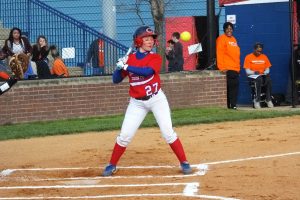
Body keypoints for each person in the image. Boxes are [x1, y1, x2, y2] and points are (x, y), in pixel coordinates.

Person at [102, 26, 192, 176]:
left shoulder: (155, 58)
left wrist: (126, 66)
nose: (150, 41)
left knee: (168, 133)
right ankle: (112, 165)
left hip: (157, 99)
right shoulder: (129, 60)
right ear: (138, 41)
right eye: (146, 39)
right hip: (137, 103)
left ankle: (184, 162)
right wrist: (119, 68)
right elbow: (116, 80)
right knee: (124, 136)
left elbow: (147, 72)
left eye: (151, 39)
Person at [216, 22, 240, 109]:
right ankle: (232, 106)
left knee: (234, 87)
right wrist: (221, 67)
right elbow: (220, 53)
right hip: (228, 68)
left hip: (235, 69)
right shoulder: (221, 39)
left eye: (231, 29)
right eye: (227, 29)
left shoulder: (234, 39)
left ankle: (232, 106)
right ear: (224, 29)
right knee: (231, 88)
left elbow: (236, 54)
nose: (229, 30)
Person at [244, 43, 274, 109]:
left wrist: (265, 72)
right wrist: (254, 72)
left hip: (262, 75)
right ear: (254, 49)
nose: (259, 52)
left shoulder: (264, 57)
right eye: (257, 51)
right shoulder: (248, 57)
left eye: (260, 51)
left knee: (268, 79)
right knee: (258, 79)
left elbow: (267, 68)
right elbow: (247, 71)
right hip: (252, 76)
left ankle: (268, 99)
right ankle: (257, 100)